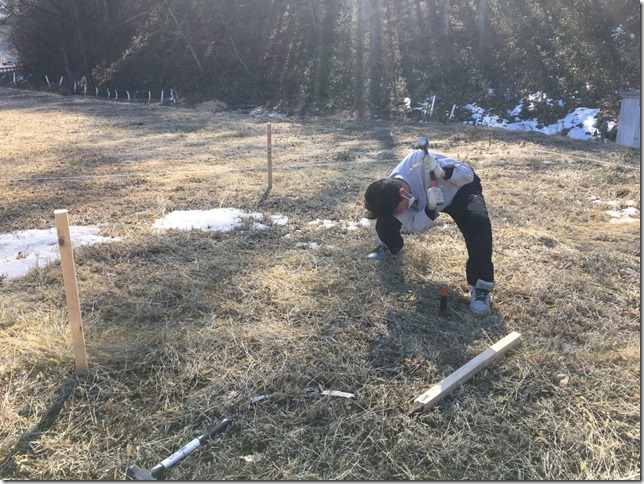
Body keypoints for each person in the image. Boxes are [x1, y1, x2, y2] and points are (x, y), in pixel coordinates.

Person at [363, 139, 495, 315]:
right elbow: (414, 225)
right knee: (386, 220)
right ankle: (390, 245)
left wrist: (441, 172)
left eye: (397, 209)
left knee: (478, 223)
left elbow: (467, 175)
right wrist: (430, 207)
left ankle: (481, 286)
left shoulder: (418, 160)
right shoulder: (391, 195)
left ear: (403, 193)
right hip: (430, 202)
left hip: (459, 190)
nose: (397, 213)